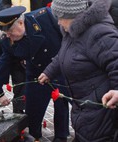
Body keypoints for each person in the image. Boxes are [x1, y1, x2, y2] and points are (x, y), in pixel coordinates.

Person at [0, 6, 69, 142]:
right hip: (36, 75)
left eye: (10, 31)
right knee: (33, 109)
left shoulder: (45, 17)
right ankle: (34, 135)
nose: (8, 35)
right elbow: (3, 63)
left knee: (61, 105)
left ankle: (61, 136)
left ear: (20, 23)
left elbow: (67, 40)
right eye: (5, 32)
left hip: (58, 67)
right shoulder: (6, 38)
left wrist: (58, 66)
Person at [38, 0, 118, 141]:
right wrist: (49, 71)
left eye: (60, 18)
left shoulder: (97, 33)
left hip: (101, 112)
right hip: (84, 107)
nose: (58, 23)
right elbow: (65, 53)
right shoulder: (73, 31)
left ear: (71, 15)